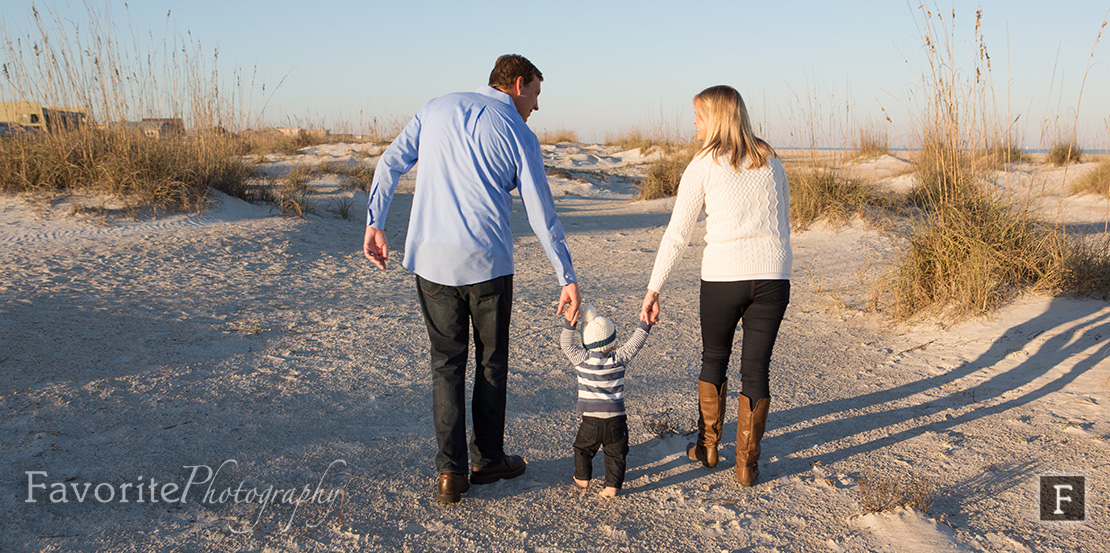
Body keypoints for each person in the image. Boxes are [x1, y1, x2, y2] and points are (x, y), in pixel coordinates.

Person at [363, 54, 581, 504]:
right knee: (491, 362)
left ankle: (451, 473)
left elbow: (389, 163)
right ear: (518, 84)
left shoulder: (435, 108)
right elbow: (542, 213)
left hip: (432, 262)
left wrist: (375, 221)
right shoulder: (520, 134)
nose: (536, 106)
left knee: (446, 365)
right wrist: (567, 275)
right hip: (488, 266)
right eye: (537, 93)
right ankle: (487, 458)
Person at [639, 85, 791, 487]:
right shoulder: (770, 158)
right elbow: (784, 225)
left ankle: (708, 447)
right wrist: (776, 266)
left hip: (725, 276)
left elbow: (677, 234)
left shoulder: (704, 163)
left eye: (699, 116)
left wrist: (654, 289)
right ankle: (746, 464)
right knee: (757, 368)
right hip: (774, 277)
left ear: (717, 118)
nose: (694, 123)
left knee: (715, 357)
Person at [559, 305, 651, 498]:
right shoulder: (618, 359)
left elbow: (566, 344)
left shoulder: (581, 360)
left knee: (583, 448)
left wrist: (570, 323)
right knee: (616, 453)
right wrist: (645, 323)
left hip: (590, 420)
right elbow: (636, 343)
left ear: (587, 343)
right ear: (613, 342)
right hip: (616, 420)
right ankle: (611, 486)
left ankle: (583, 477)